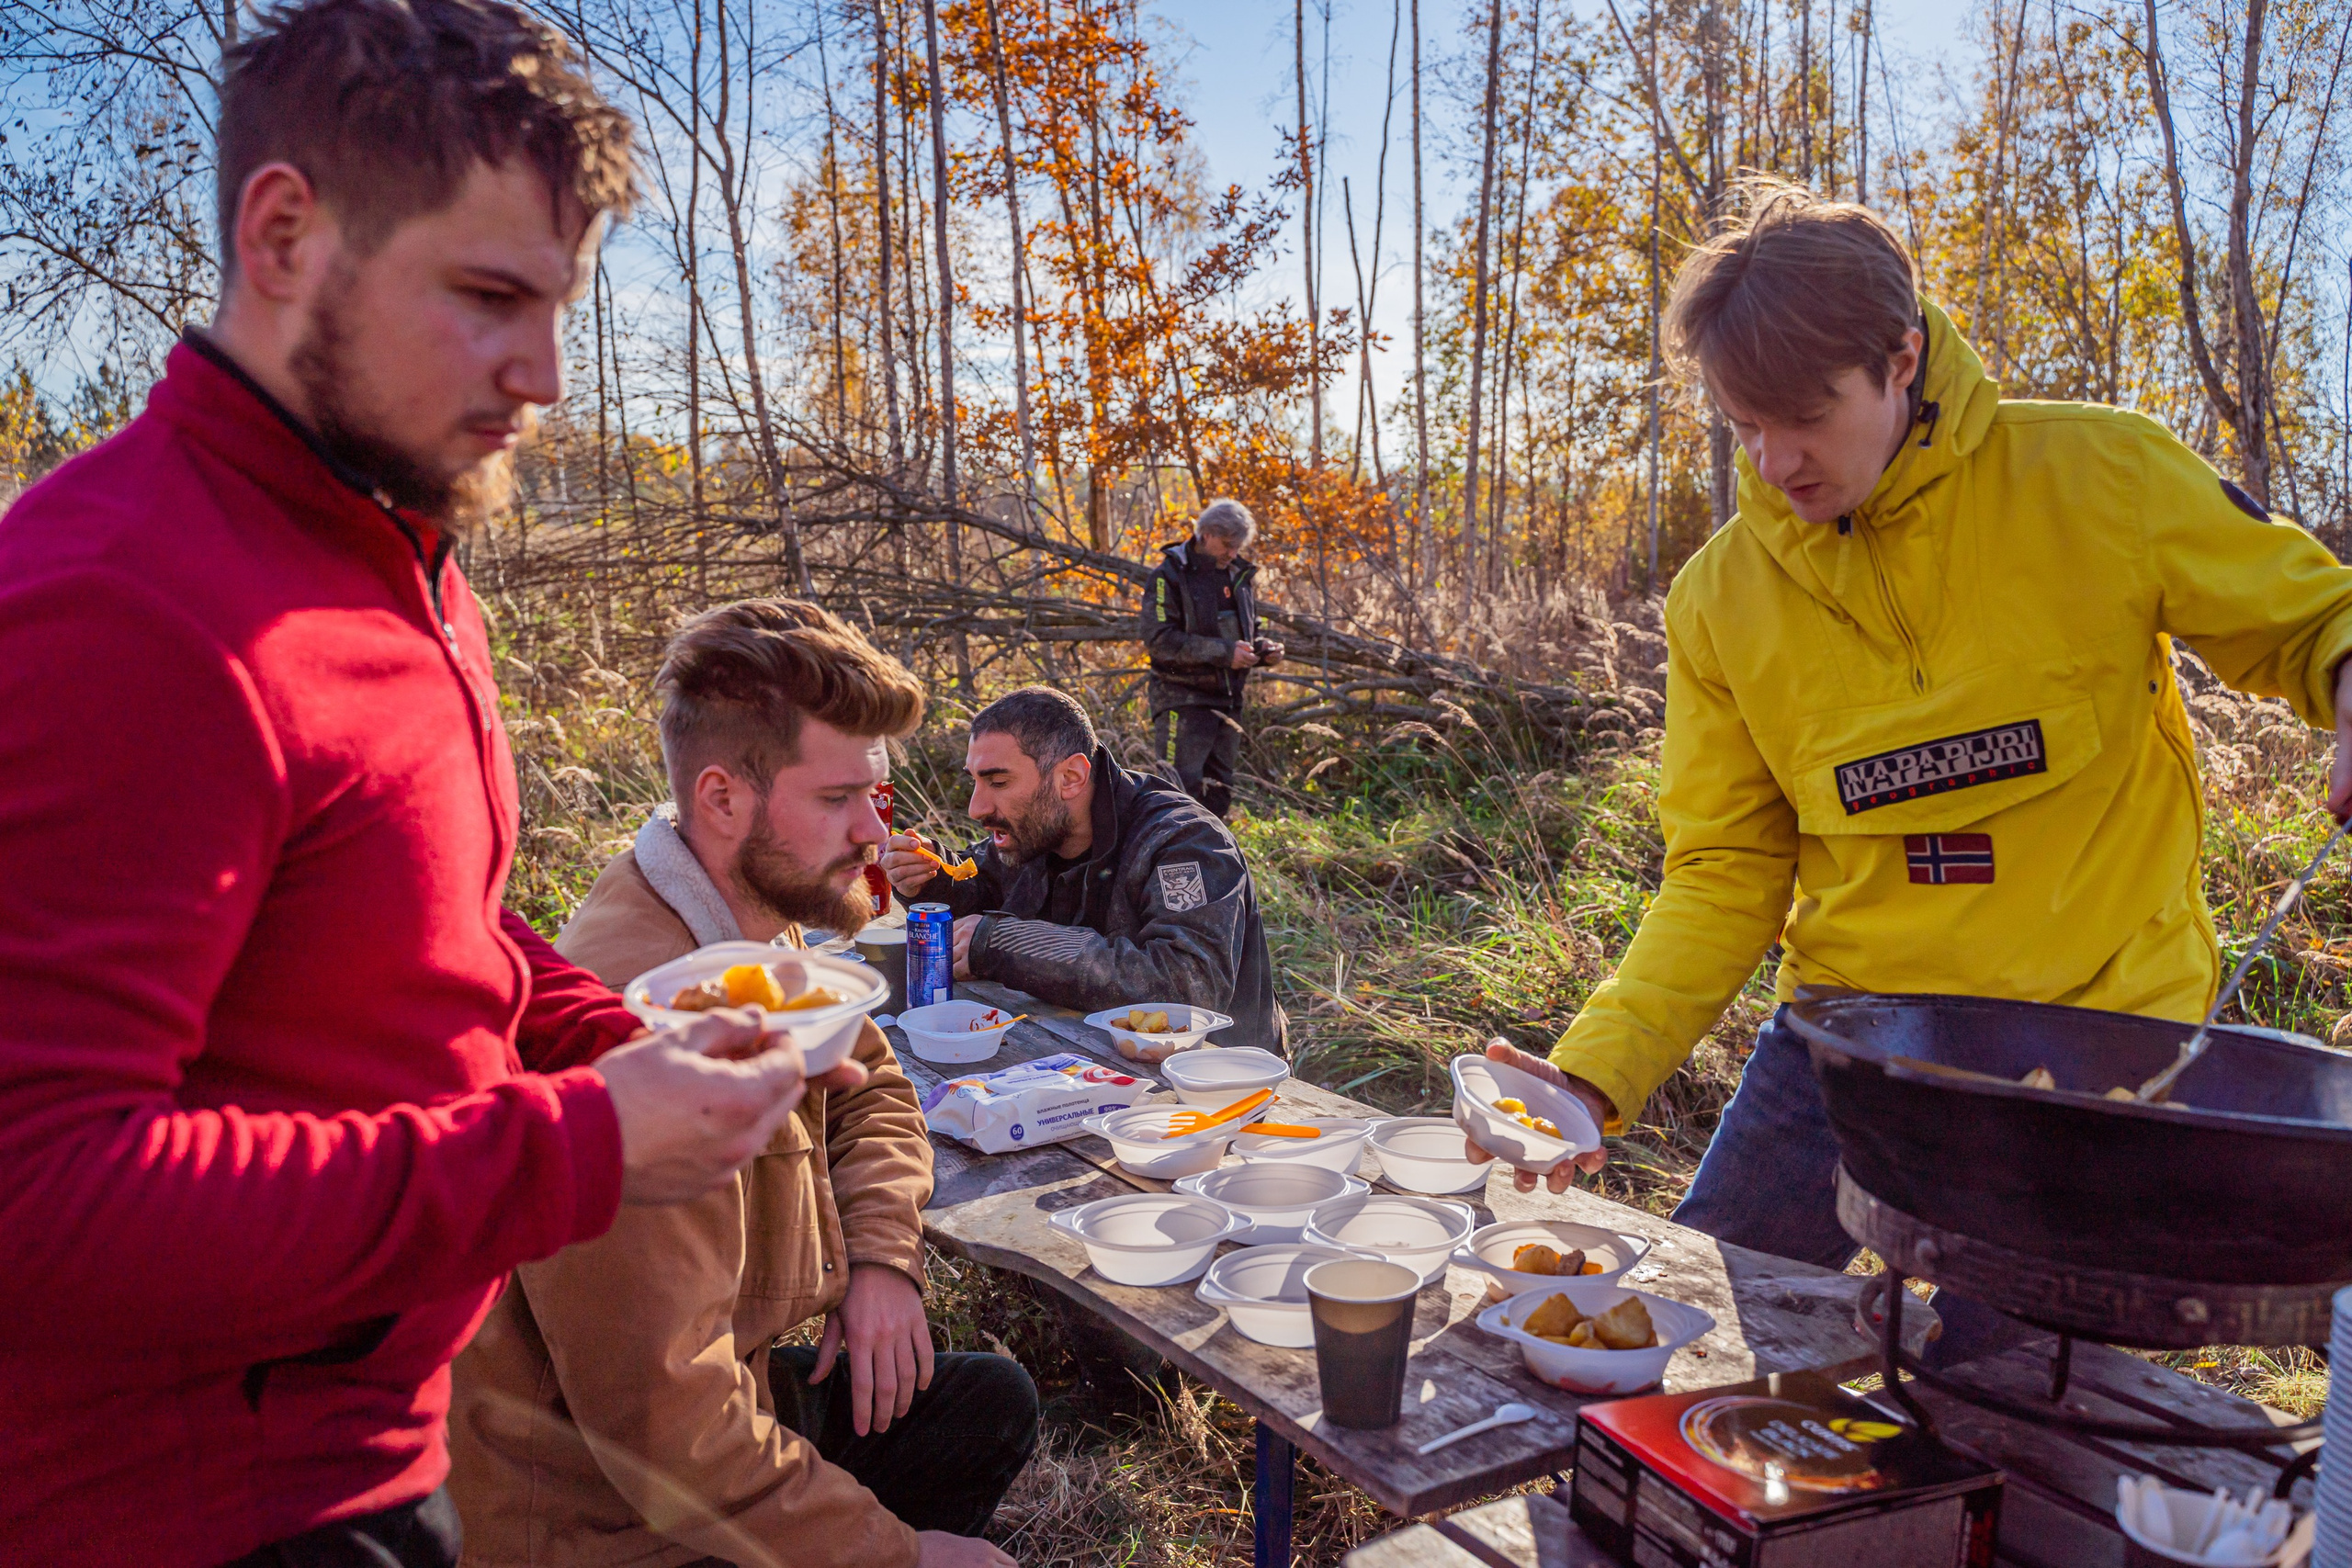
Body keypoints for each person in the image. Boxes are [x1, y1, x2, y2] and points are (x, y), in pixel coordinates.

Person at [0, 6, 859, 1565]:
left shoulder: (399, 552)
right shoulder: (121, 604)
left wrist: (640, 1024)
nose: (541, 370)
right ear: (283, 234)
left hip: (385, 1440)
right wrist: (582, 1143)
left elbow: (412, 922)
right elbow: (38, 1199)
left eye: (560, 305)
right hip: (189, 1511)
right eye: (487, 297)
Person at [1468, 178, 2352, 1364]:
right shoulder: (1721, 599)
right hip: (1851, 1043)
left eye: (1808, 414)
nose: (1778, 459)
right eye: (1742, 424)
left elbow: (2310, 623)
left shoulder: (2105, 476)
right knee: (1689, 1341)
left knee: (2006, 1406)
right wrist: (1591, 1071)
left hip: (2096, 1060)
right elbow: (1725, 868)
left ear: (1902, 356)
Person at [451, 600, 1035, 1568]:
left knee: (983, 1403)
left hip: (727, 1389)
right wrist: (902, 1557)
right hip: (598, 1511)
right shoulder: (634, 1021)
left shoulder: (755, 912)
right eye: (840, 798)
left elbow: (869, 1086)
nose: (871, 832)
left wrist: (883, 1257)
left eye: (876, 795)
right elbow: (663, 1438)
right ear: (722, 798)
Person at [881, 686, 1285, 1052]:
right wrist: (931, 875)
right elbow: (982, 883)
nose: (976, 808)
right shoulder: (1037, 829)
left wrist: (1004, 944)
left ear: (1070, 777)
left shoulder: (1185, 842)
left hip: (1216, 1086)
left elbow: (1187, 988)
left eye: (998, 783)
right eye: (974, 782)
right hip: (1076, 1060)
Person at [1143, 498, 1284, 818]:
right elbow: (1159, 641)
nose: (1233, 553)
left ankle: (1212, 864)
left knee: (1219, 795)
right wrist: (1225, 653)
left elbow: (1245, 634)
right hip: (1182, 701)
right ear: (1205, 534)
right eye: (1228, 544)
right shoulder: (1170, 575)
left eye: (1238, 546)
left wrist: (1262, 651)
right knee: (1175, 795)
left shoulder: (1238, 576)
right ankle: (1164, 863)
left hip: (1228, 703)